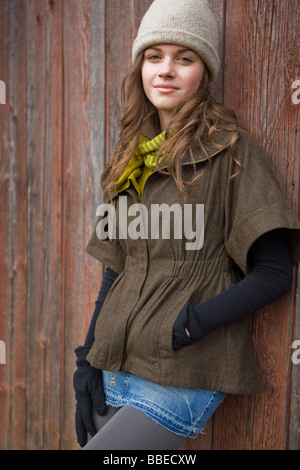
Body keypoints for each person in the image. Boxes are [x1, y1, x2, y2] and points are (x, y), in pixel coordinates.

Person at [73, 0, 300, 450]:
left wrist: (192, 323)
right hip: (113, 366)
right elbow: (117, 270)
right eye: (154, 56)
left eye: (184, 58)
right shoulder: (130, 159)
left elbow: (275, 273)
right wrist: (86, 358)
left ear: (205, 72)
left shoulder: (231, 153)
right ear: (141, 67)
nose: (166, 70)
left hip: (180, 373)